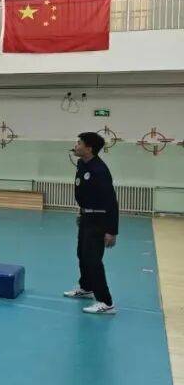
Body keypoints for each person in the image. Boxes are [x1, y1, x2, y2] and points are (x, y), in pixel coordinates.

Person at [64, 132, 119, 315]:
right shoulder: (82, 164)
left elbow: (111, 201)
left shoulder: (99, 170)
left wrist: (111, 231)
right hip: (86, 217)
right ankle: (86, 287)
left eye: (79, 143)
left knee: (93, 260)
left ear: (89, 148)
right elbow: (86, 193)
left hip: (99, 220)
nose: (76, 145)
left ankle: (106, 302)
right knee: (82, 254)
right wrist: (82, 212)